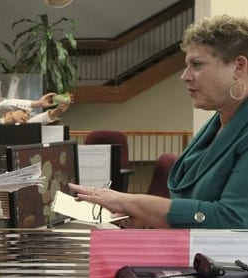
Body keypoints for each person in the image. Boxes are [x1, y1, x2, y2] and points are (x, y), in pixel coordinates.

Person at [69, 14, 248, 229]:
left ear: (238, 67)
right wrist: (148, 218)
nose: (185, 76)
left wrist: (132, 202)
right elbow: (190, 203)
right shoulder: (217, 124)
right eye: (186, 65)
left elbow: (234, 219)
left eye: (197, 65)